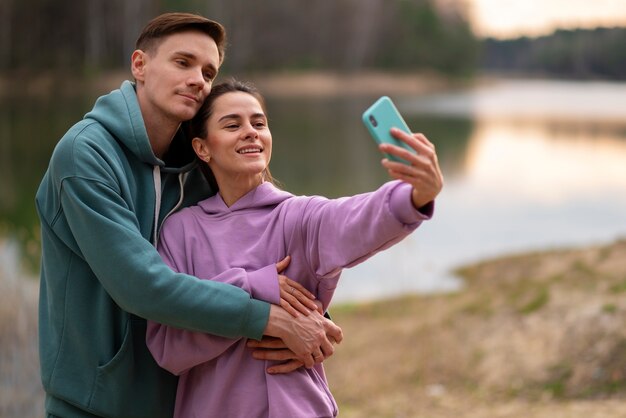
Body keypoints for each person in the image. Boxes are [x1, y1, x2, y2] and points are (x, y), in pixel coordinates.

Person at [35, 13, 341, 418]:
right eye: (183, 63)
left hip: (183, 399)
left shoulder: (202, 160)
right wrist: (268, 319)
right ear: (140, 65)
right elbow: (142, 285)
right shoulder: (85, 155)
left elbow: (257, 242)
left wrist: (311, 318)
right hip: (95, 404)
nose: (199, 79)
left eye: (209, 70)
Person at [146, 80, 444, 417]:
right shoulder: (181, 230)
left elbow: (358, 217)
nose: (251, 132)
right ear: (202, 148)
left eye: (259, 123)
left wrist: (416, 194)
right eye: (233, 124)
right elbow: (167, 347)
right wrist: (256, 290)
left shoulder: (299, 217)